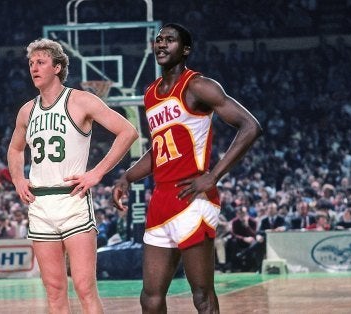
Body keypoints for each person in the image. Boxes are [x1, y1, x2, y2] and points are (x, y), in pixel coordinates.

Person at [112, 23, 262, 313]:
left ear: (186, 49)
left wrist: (214, 175)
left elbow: (250, 126)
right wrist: (126, 177)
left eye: (170, 40)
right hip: (161, 199)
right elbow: (159, 150)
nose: (161, 44)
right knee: (150, 297)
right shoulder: (150, 93)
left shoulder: (198, 85)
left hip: (192, 196)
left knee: (202, 296)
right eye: (158, 40)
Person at [7, 38, 138, 313]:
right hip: (40, 205)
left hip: (73, 200)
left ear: (57, 67)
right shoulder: (26, 111)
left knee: (84, 288)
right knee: (54, 291)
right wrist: (18, 179)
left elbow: (128, 131)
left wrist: (97, 173)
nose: (34, 68)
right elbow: (16, 149)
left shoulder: (81, 100)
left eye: (40, 62)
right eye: (31, 63)